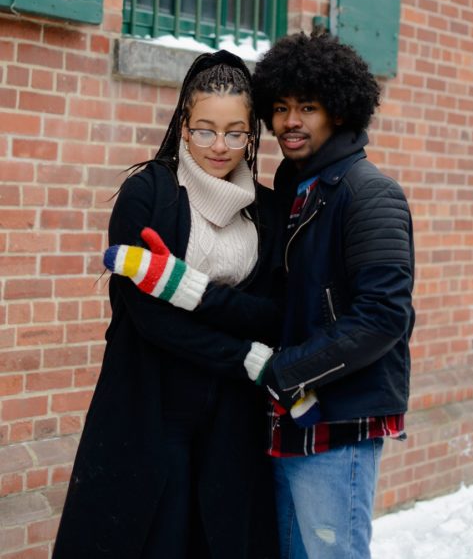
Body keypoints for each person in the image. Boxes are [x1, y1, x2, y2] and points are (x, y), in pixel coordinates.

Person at [104, 31, 416, 558]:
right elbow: (285, 306)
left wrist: (282, 368)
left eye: (309, 107)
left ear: (339, 111)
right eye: (281, 107)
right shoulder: (294, 193)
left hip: (335, 416)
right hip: (274, 413)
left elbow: (384, 316)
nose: (292, 121)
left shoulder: (368, 193)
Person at [54, 51, 283, 558]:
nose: (219, 146)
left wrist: (187, 288)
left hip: (231, 420)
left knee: (220, 540)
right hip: (146, 407)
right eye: (204, 130)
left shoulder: (268, 214)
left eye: (234, 132)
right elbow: (150, 318)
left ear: (252, 134)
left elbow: (275, 314)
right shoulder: (148, 195)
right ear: (183, 124)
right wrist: (246, 355)